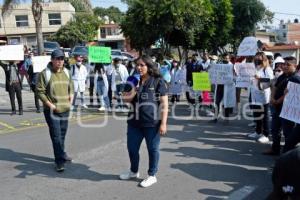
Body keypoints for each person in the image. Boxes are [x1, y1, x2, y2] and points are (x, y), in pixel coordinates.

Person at [119, 55, 168, 188]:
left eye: (142, 65)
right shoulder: (132, 80)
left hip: (152, 123)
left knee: (153, 149)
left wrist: (163, 123)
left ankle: (152, 175)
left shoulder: (158, 81)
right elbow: (125, 99)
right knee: (132, 149)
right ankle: (134, 171)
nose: (139, 68)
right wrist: (135, 87)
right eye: (137, 65)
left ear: (149, 66)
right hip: (134, 122)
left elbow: (164, 103)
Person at [36, 49, 74, 172]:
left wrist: (70, 101)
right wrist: (50, 105)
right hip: (52, 111)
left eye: (61, 59)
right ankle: (59, 161)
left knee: (62, 134)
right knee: (56, 136)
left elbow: (71, 88)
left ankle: (61, 153)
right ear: (52, 60)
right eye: (57, 59)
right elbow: (39, 92)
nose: (59, 61)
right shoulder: (45, 74)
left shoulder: (67, 72)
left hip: (65, 109)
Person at [248, 52, 274, 144]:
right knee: (257, 114)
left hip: (264, 96)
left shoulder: (267, 69)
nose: (257, 60)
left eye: (259, 59)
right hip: (255, 94)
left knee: (264, 115)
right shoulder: (255, 68)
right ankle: (258, 131)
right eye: (256, 59)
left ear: (264, 59)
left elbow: (270, 81)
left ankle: (266, 135)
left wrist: (259, 78)